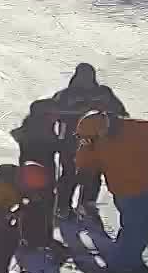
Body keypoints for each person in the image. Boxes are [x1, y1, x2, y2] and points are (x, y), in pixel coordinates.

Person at [73, 110, 148, 273]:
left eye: (92, 138)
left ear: (102, 128)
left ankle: (130, 260)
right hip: (124, 191)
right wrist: (85, 171)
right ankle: (121, 265)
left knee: (145, 224)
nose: (89, 142)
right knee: (135, 228)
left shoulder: (139, 128)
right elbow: (84, 158)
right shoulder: (92, 140)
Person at [48, 63, 129, 218]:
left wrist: (111, 118)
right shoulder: (65, 95)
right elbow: (52, 114)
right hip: (71, 142)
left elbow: (120, 112)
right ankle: (62, 206)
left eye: (88, 76)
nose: (85, 80)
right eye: (83, 76)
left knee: (93, 174)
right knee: (70, 174)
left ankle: (87, 204)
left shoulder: (103, 93)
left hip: (98, 143)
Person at [11, 100, 65, 247]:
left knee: (35, 203)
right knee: (41, 204)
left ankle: (33, 236)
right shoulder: (40, 130)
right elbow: (50, 146)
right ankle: (38, 238)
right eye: (52, 112)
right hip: (37, 175)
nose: (56, 116)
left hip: (33, 174)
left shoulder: (34, 126)